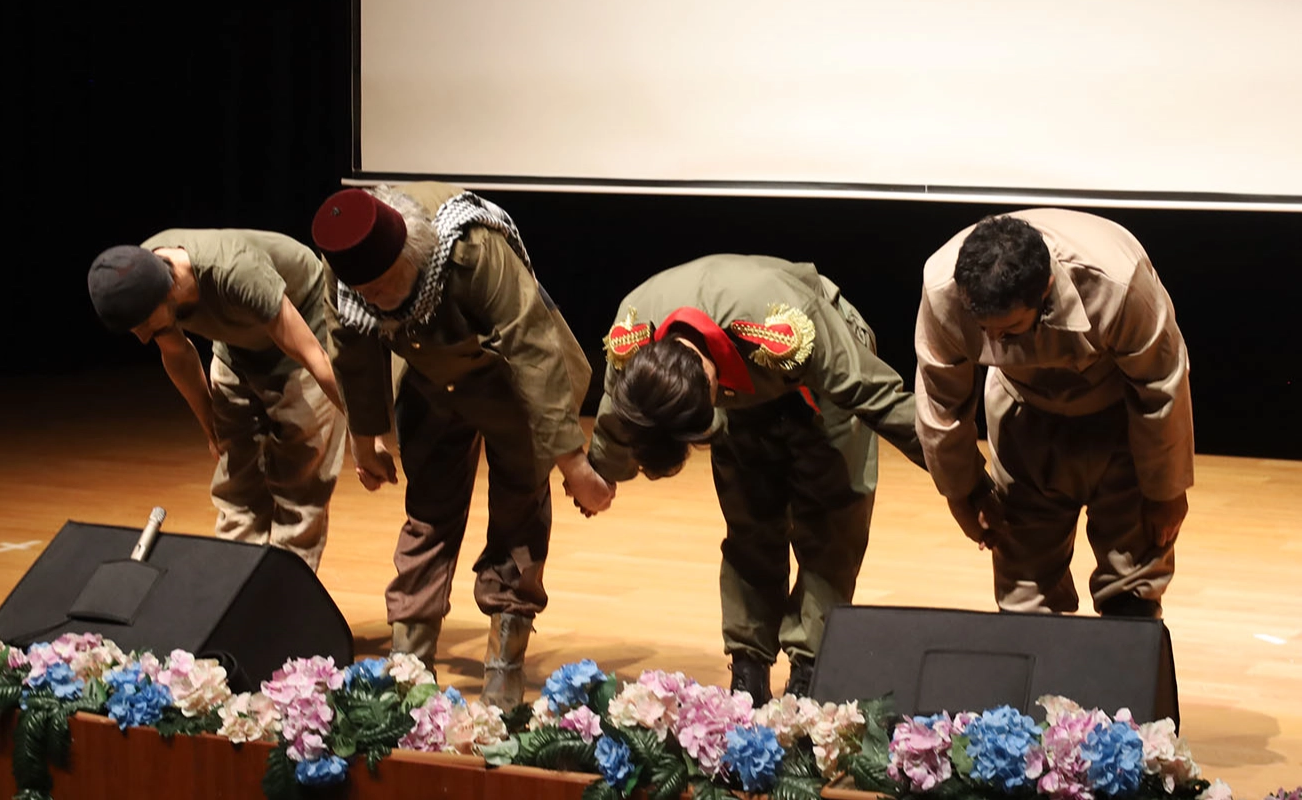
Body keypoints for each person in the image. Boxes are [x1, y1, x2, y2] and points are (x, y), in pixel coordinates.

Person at [311, 183, 608, 709]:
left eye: (384, 286)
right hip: (429, 377)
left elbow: (532, 347)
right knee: (428, 510)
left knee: (519, 508)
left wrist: (574, 462)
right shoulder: (348, 271)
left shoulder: (470, 249)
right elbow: (351, 352)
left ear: (412, 256)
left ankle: (504, 659)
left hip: (511, 378)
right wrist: (364, 442)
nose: (374, 299)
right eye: (366, 292)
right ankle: (409, 663)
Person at [587, 255, 926, 703]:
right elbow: (618, 416)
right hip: (745, 379)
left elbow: (878, 396)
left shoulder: (785, 325)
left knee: (831, 523)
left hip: (820, 376)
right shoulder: (632, 340)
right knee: (749, 520)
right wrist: (598, 476)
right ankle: (749, 665)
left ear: (711, 385)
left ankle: (810, 664)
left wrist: (964, 481)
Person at [914, 210, 1193, 617]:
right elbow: (941, 403)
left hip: (1118, 418)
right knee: (1024, 592)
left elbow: (1161, 384)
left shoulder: (1116, 280)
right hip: (1022, 418)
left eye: (1008, 330)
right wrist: (964, 491)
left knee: (1132, 585)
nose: (994, 341)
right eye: (985, 330)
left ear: (1044, 289)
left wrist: (1166, 490)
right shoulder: (943, 288)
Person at [86, 230, 347, 571]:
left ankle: (284, 590)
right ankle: (233, 584)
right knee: (236, 480)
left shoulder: (235, 270)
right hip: (235, 341)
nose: (143, 337)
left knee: (300, 479)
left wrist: (363, 431)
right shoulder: (137, 274)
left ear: (171, 291)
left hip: (303, 326)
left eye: (146, 325)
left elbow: (315, 357)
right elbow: (178, 354)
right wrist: (211, 427)